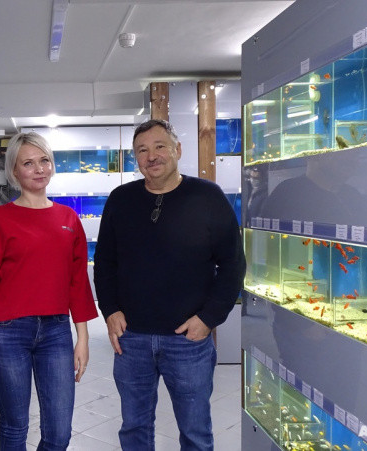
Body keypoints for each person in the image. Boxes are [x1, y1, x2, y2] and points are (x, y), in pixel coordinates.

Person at [94, 119, 245, 450]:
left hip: (188, 340)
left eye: (160, 146)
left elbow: (233, 264)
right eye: (142, 150)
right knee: (134, 428)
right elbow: (105, 262)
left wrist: (209, 318)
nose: (152, 156)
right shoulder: (121, 199)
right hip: (131, 339)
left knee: (195, 432)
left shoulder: (207, 196)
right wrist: (110, 310)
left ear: (178, 149)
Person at [0, 132, 98, 450]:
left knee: (59, 433)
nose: (39, 169)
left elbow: (78, 283)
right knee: (15, 427)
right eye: (28, 163)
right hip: (7, 333)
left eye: (44, 161)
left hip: (56, 332)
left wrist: (82, 338)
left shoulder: (68, 218)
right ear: (14, 170)